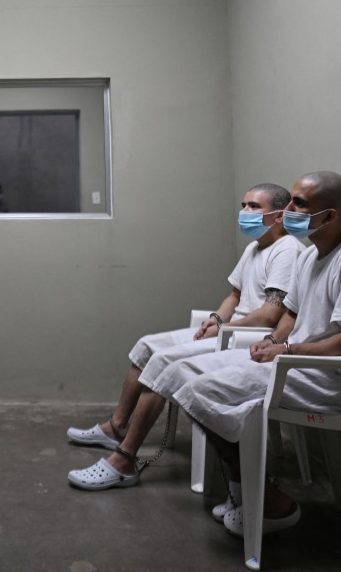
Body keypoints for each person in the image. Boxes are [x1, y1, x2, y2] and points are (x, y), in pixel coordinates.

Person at [150, 172, 341, 537]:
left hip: (323, 378)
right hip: (290, 361)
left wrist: (289, 348)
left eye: (300, 204)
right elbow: (293, 315)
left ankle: (272, 504)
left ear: (330, 216)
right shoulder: (312, 255)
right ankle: (244, 487)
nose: (289, 211)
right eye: (291, 199)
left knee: (203, 392)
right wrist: (273, 343)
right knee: (183, 375)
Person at [66, 183, 299, 493]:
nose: (245, 213)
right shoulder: (255, 247)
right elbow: (235, 294)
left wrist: (225, 328)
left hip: (248, 337)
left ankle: (124, 460)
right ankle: (115, 428)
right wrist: (216, 319)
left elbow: (271, 315)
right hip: (230, 329)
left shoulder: (288, 250)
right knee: (147, 346)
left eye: (254, 207)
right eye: (243, 205)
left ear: (279, 215)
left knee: (163, 362)